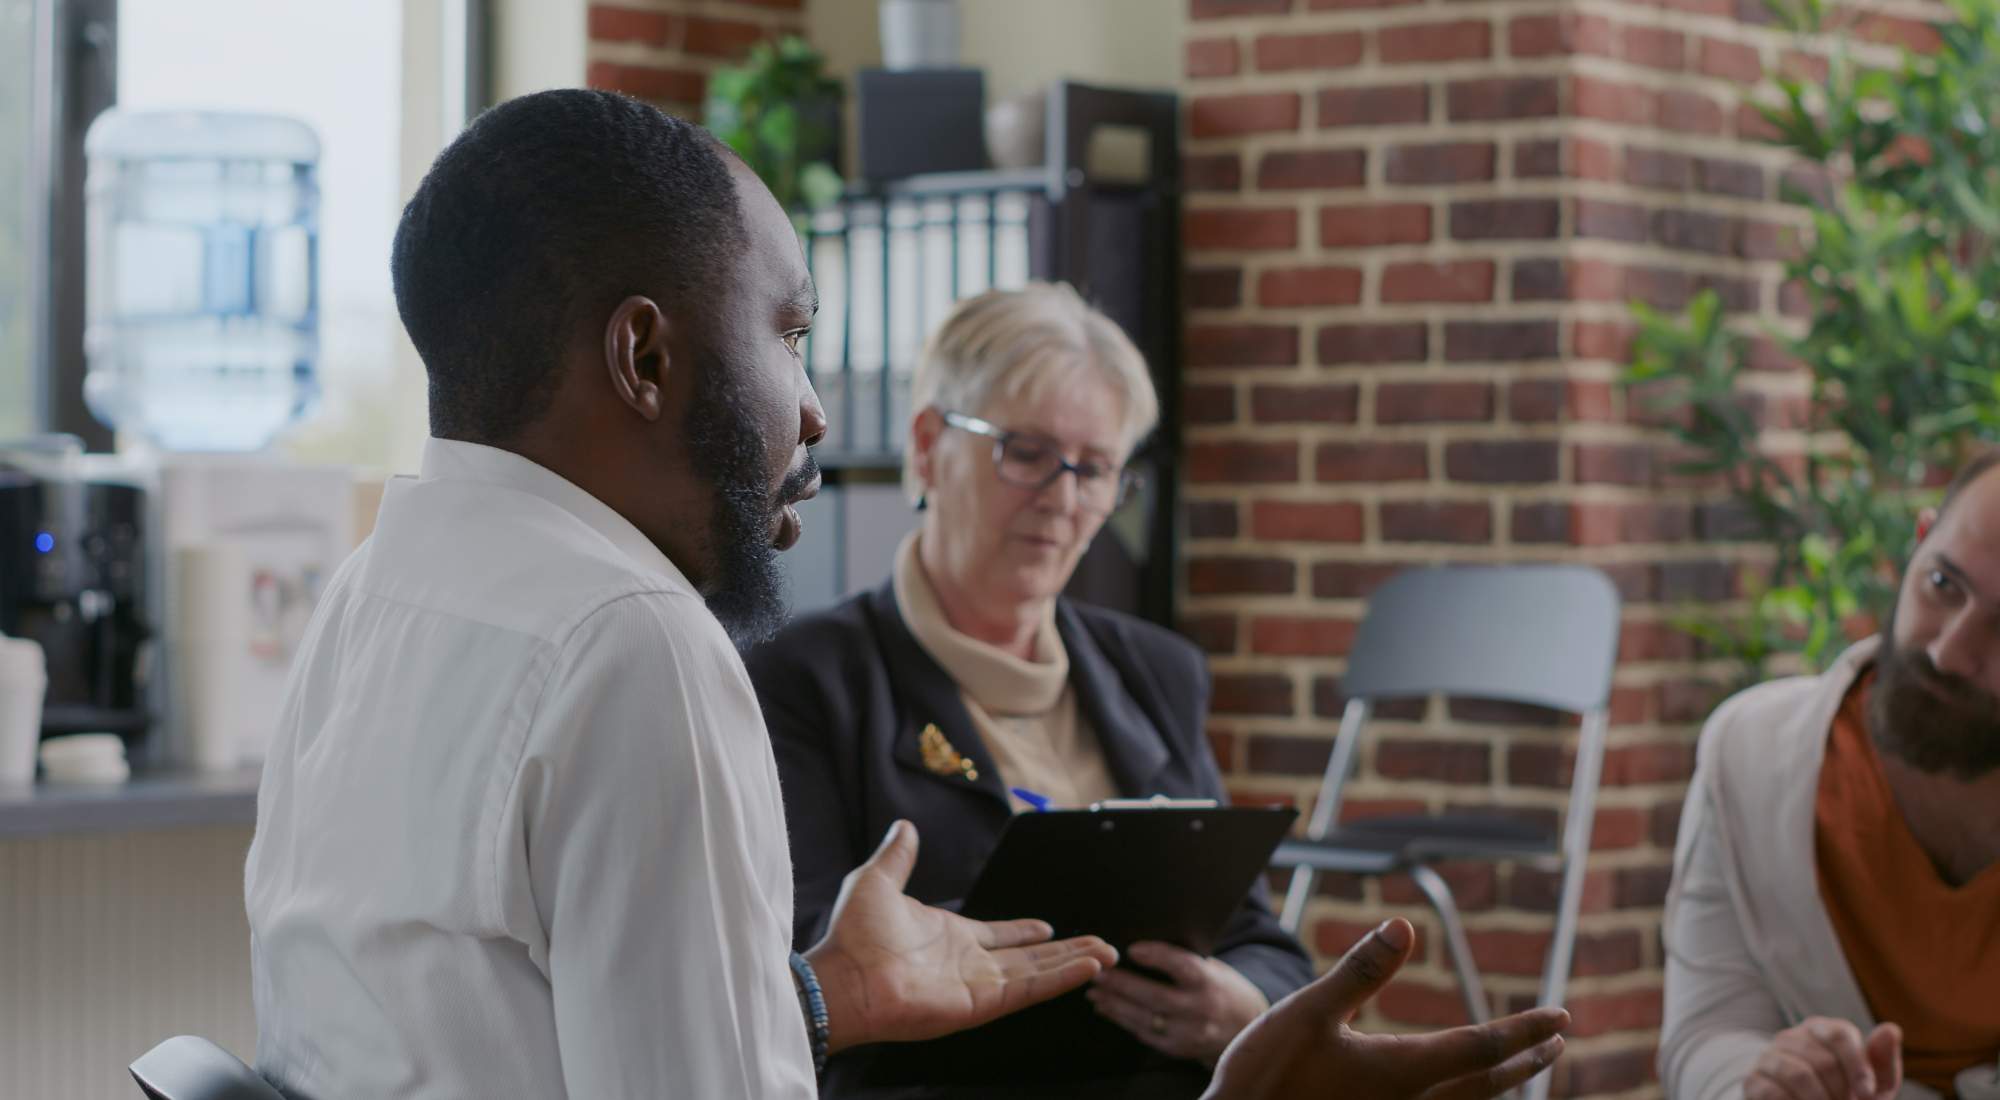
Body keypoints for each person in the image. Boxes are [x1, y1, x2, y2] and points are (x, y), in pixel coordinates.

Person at [244, 88, 1568, 1099]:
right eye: (791, 332)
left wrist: (825, 996)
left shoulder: (377, 590)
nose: (815, 410)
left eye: (1097, 469)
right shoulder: (633, 643)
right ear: (647, 354)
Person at [747, 284, 1311, 1098]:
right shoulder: (806, 681)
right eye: (1027, 451)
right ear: (928, 445)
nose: (1064, 496)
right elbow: (798, 976)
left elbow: (1262, 941)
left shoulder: (1156, 673)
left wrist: (1240, 1007)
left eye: (1097, 468)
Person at [1660, 453, 2000, 1100]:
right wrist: (1762, 1085)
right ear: (1920, 541)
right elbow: (1705, 1033)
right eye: (1943, 584)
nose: (1950, 651)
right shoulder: (1751, 756)